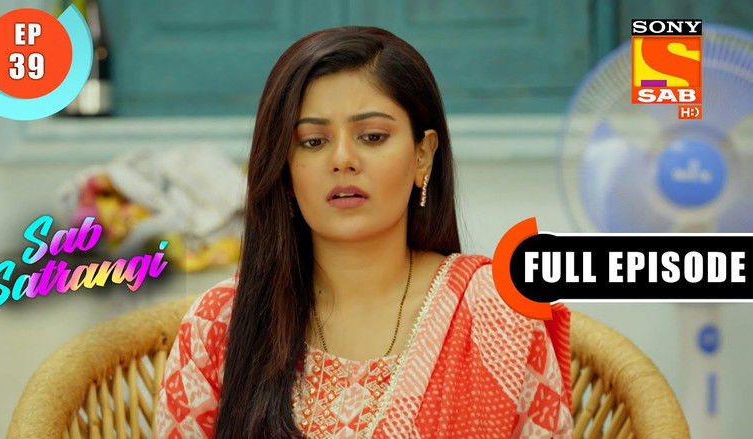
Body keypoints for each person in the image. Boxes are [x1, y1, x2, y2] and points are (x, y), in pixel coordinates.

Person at [154, 26, 572, 438]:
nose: (343, 159)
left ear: (423, 156)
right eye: (313, 141)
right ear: (284, 169)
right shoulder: (221, 324)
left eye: (372, 136)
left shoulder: (495, 315)